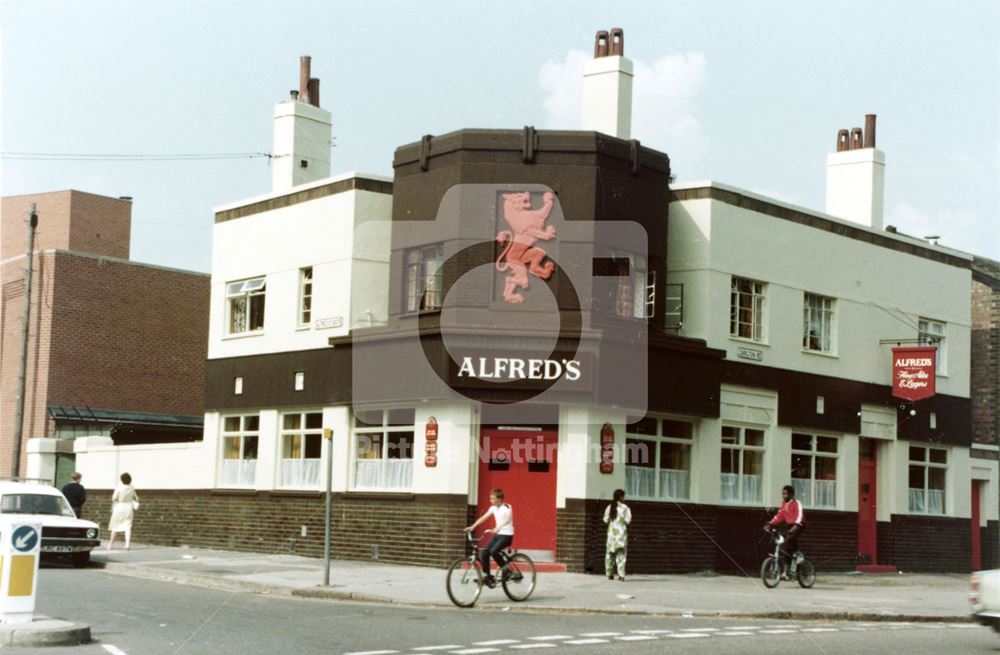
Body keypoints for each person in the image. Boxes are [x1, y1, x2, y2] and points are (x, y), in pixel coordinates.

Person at [465, 488, 514, 588]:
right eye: (490, 498)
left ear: (499, 499)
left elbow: (507, 520)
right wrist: (472, 526)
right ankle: (487, 576)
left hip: (507, 534)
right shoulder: (493, 508)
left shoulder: (507, 507)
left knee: (494, 552)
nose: (490, 500)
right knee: (484, 553)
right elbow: (483, 518)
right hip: (498, 534)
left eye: (493, 498)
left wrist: (497, 528)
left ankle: (507, 570)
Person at [765, 484, 805, 579]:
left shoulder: (796, 503)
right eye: (783, 494)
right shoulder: (783, 504)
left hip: (799, 525)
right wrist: (770, 524)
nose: (784, 496)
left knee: (789, 539)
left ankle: (799, 554)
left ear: (791, 494)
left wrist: (796, 525)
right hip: (790, 525)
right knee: (786, 547)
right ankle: (785, 572)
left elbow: (799, 515)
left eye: (786, 494)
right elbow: (779, 515)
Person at [603, 488, 631, 581]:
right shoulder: (625, 508)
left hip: (611, 535)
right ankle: (621, 575)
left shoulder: (609, 507)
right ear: (620, 497)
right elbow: (628, 520)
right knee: (621, 556)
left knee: (609, 555)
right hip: (621, 535)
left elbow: (605, 520)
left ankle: (610, 574)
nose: (624, 498)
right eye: (623, 496)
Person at [108, 472, 139, 551]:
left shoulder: (119, 487)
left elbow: (114, 498)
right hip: (129, 508)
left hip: (120, 507)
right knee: (128, 526)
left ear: (122, 480)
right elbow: (136, 498)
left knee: (115, 525)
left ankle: (110, 544)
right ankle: (127, 545)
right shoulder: (132, 488)